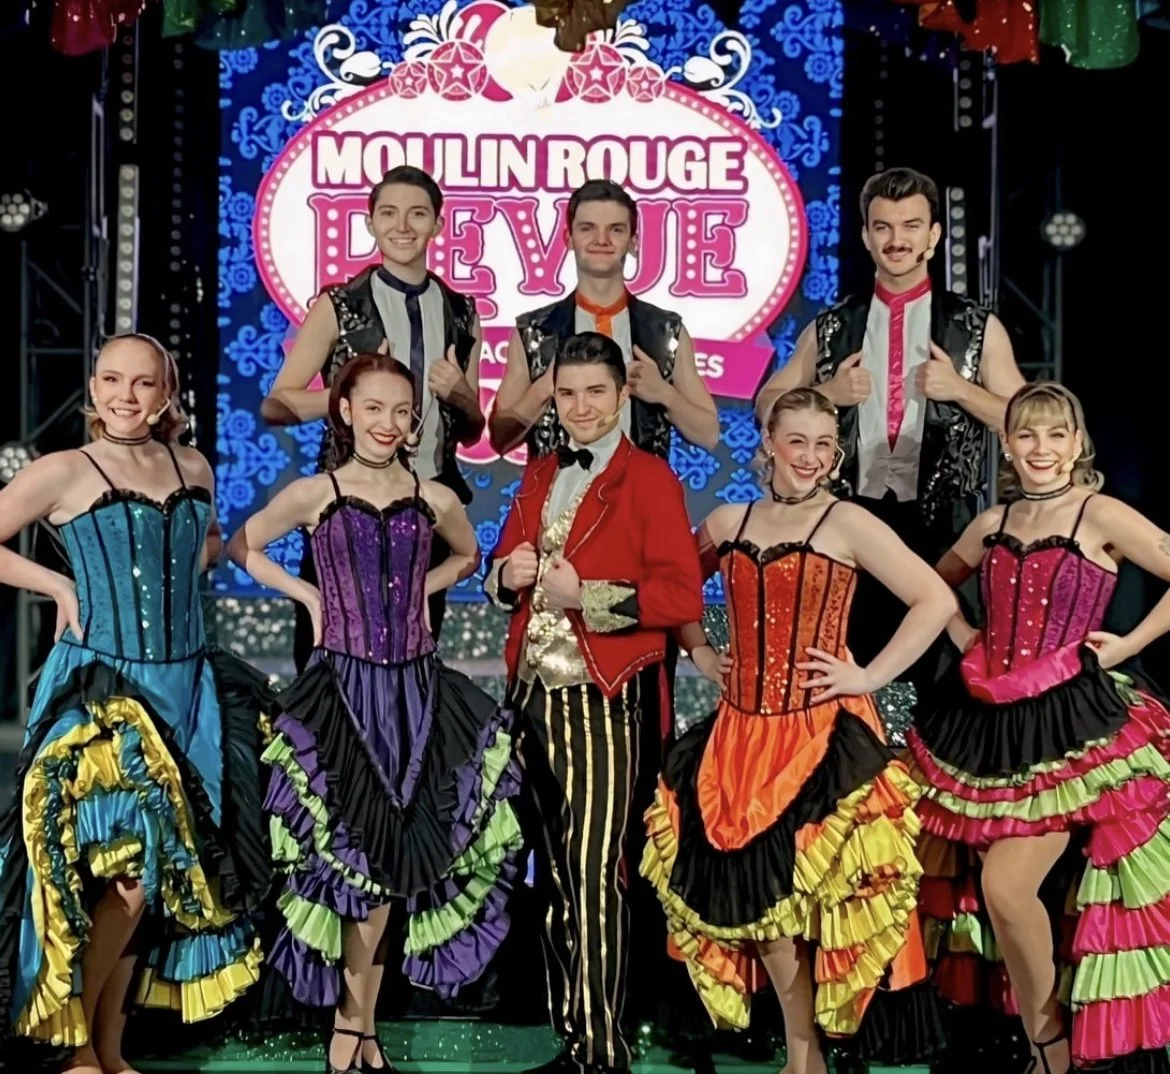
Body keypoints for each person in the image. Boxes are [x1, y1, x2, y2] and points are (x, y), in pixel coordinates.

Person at [641, 388, 957, 1074]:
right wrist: (700, 652)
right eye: (798, 441)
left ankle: (809, 1056)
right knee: (762, 903)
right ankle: (801, 1054)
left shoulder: (847, 522)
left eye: (824, 445)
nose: (811, 457)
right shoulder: (727, 520)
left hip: (818, 732)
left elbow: (936, 600)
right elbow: (674, 593)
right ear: (769, 444)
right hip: (739, 735)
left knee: (813, 899)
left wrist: (870, 676)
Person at [229, 353, 522, 1074]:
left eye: (402, 412)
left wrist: (428, 587)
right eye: (375, 408)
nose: (388, 424)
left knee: (396, 861)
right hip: (343, 692)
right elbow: (245, 545)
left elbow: (469, 555)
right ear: (344, 411)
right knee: (352, 860)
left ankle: (358, 1028)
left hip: (418, 694)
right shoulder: (313, 492)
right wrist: (308, 599)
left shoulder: (436, 497)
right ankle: (350, 1026)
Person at [0, 334, 271, 1074]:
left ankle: (110, 1050)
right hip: (103, 688)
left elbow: (203, 546)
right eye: (112, 380)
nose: (126, 395)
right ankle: (74, 1045)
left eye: (143, 383)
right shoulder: (63, 470)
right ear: (92, 387)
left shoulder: (196, 465)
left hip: (186, 690)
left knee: (156, 884)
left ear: (167, 391)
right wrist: (57, 585)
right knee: (121, 868)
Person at [906, 382, 1170, 1074]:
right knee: (994, 891)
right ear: (1008, 444)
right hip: (987, 722)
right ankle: (1043, 1043)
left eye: (1057, 435)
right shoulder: (990, 522)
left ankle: (1049, 1042)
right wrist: (965, 634)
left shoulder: (1100, 510)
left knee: (1005, 887)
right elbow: (934, 587)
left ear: (1079, 445)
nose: (1042, 449)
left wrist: (1127, 646)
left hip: (1071, 725)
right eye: (1027, 435)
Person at [484, 332, 704, 1074]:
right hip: (532, 696)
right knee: (552, 877)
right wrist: (503, 574)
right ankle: (575, 1039)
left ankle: (606, 1052)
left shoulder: (650, 480)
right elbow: (506, 562)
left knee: (594, 877)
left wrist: (594, 598)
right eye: (567, 394)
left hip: (604, 698)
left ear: (622, 396)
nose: (580, 408)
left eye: (595, 394)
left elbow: (680, 595)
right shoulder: (540, 472)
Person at [755, 167, 1024, 695]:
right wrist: (828, 394)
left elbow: (1029, 422)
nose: (897, 240)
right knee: (846, 671)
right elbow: (766, 404)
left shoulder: (975, 326)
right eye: (883, 227)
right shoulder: (832, 326)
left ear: (934, 236)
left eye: (910, 226)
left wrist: (961, 390)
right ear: (865, 236)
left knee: (949, 683)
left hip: (947, 529)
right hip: (850, 524)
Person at [261, 165, 485, 662]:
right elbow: (276, 404)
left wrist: (462, 397)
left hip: (426, 508)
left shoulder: (463, 312)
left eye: (417, 214)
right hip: (345, 508)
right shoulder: (340, 305)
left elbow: (472, 430)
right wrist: (351, 389)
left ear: (438, 225)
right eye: (388, 213)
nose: (402, 225)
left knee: (416, 651)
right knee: (328, 651)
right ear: (369, 223)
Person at [489, 178, 720, 461]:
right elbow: (499, 440)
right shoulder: (535, 332)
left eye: (616, 230)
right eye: (587, 228)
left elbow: (709, 435)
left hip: (641, 499)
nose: (602, 240)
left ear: (633, 241)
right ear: (568, 239)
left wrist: (663, 393)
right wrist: (544, 388)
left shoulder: (666, 331)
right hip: (555, 498)